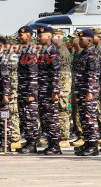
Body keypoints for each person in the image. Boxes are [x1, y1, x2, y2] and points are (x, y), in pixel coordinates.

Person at [73, 30, 101, 156]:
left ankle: (93, 146)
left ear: (89, 40)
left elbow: (93, 74)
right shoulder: (82, 53)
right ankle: (88, 143)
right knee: (84, 118)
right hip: (81, 90)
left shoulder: (92, 54)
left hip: (88, 91)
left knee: (90, 118)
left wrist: (90, 91)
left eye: (82, 39)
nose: (79, 41)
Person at [36, 27, 62, 155]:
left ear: (48, 36)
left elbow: (56, 73)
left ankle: (55, 145)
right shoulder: (43, 51)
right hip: (42, 90)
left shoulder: (53, 51)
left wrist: (55, 91)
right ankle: (51, 143)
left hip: (49, 91)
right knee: (46, 118)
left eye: (41, 35)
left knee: (52, 118)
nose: (39, 37)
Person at [16, 26, 39, 154]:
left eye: (22, 35)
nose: (19, 37)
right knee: (24, 116)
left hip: (29, 90)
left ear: (29, 36)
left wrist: (32, 92)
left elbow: (33, 73)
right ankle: (29, 141)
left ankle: (32, 144)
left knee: (30, 117)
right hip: (23, 89)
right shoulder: (24, 50)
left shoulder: (31, 51)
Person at [52, 29, 73, 148]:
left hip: (63, 84)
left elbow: (61, 72)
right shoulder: (58, 50)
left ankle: (64, 138)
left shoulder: (62, 52)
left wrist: (59, 88)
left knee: (62, 111)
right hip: (60, 84)